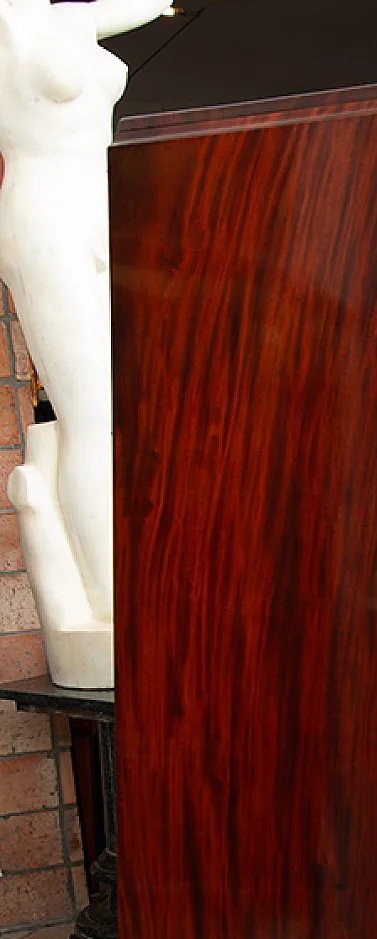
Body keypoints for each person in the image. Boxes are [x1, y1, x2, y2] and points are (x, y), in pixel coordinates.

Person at [0, 0, 172, 685]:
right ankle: (110, 599)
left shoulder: (66, 17)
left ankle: (131, 589)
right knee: (93, 418)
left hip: (101, 206)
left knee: (128, 410)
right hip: (44, 216)